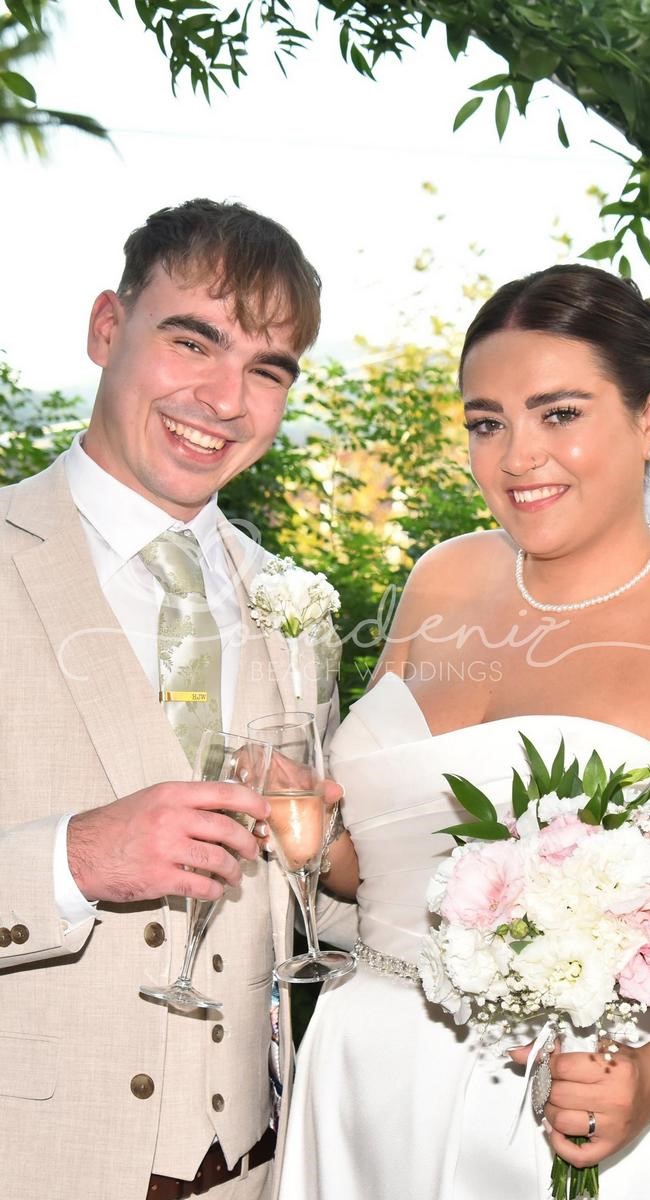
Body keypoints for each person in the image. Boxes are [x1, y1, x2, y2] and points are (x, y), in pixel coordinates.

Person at [279, 264, 650, 1198]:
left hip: (590, 1116)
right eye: (487, 423)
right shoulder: (440, 580)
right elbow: (388, 869)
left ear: (649, 415)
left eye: (559, 414)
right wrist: (308, 834)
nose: (518, 456)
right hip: (369, 1082)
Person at [0, 198, 355, 1200]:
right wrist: (74, 860)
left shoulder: (296, 612)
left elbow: (312, 915)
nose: (224, 399)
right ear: (106, 327)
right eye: (192, 342)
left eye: (267, 370)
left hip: (252, 1172)